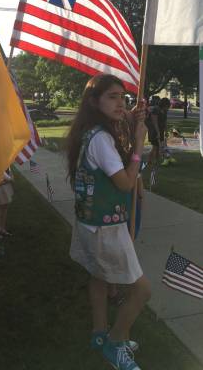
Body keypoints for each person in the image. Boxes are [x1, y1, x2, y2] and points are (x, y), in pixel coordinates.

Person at [66, 74, 151, 370]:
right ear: (94, 101)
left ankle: (99, 334)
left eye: (123, 97)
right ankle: (115, 342)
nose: (121, 102)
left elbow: (122, 120)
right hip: (105, 227)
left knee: (100, 279)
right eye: (113, 97)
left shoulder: (92, 130)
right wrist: (139, 145)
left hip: (91, 222)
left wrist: (131, 118)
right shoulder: (101, 139)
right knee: (142, 290)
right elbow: (126, 183)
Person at [146, 97, 173, 166]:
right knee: (155, 146)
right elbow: (154, 122)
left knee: (158, 146)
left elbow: (165, 121)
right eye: (167, 106)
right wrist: (157, 132)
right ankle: (149, 161)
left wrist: (166, 131)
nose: (168, 108)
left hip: (160, 130)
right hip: (154, 130)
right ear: (164, 104)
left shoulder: (165, 111)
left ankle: (156, 161)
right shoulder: (156, 109)